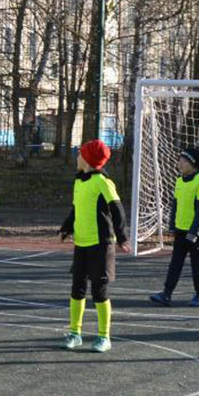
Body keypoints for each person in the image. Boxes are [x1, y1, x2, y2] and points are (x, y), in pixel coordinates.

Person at [58, 139, 127, 352]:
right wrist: (66, 227)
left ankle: (104, 336)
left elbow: (117, 210)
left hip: (101, 245)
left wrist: (122, 236)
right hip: (82, 243)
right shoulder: (79, 182)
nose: (77, 157)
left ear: (87, 159)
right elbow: (76, 210)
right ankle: (75, 333)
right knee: (77, 289)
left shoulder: (103, 182)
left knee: (99, 291)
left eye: (80, 154)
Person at [149, 148, 199, 307]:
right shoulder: (179, 181)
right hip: (180, 231)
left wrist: (194, 232)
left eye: (183, 161)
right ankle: (167, 293)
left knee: (197, 265)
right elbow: (175, 206)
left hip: (196, 234)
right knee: (175, 264)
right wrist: (172, 226)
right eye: (179, 160)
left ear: (193, 164)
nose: (179, 164)